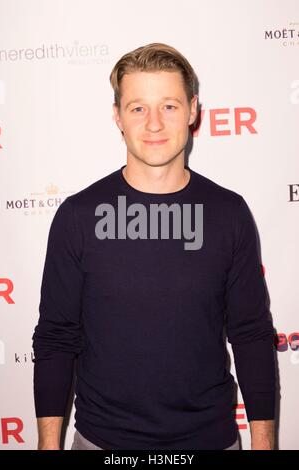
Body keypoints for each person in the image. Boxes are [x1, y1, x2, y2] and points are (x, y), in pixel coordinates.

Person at [32, 43, 276, 451]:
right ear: (118, 117)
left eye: (169, 106)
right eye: (138, 108)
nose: (155, 124)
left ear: (194, 110)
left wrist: (264, 443)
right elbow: (56, 338)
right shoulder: (78, 217)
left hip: (211, 441)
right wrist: (47, 445)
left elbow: (250, 333)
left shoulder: (228, 214)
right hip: (102, 443)